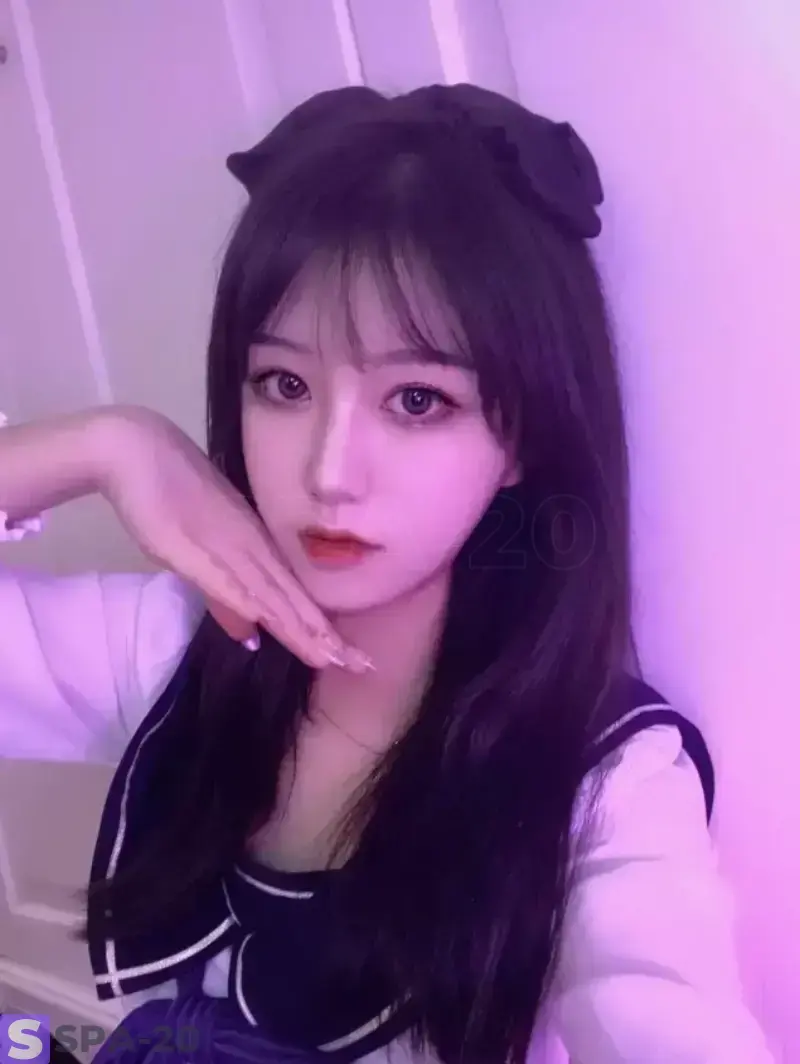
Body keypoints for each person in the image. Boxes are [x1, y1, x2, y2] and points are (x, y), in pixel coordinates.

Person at [0, 85, 774, 1064]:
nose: (330, 472)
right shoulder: (175, 644)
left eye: (415, 400)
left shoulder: (604, 778)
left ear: (522, 435)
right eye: (283, 384)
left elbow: (665, 1017)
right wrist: (102, 446)